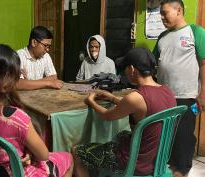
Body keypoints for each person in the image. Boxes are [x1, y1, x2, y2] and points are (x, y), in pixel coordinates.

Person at [0, 43, 73, 177]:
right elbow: (43, 155)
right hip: (18, 173)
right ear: (6, 79)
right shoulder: (16, 118)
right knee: (68, 158)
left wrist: (27, 150)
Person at [72, 47, 176, 177]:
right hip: (157, 159)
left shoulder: (136, 97)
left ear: (132, 69)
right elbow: (137, 105)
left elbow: (107, 115)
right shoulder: (167, 91)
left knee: (77, 151)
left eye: (125, 68)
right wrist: (111, 97)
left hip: (136, 163)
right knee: (121, 135)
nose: (125, 72)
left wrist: (91, 101)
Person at [153, 0, 205, 176]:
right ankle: (166, 170)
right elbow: (155, 64)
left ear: (179, 10)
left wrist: (203, 93)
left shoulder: (196, 32)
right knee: (164, 139)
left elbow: (204, 64)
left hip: (186, 97)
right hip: (163, 97)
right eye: (160, 13)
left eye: (164, 12)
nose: (161, 17)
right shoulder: (162, 37)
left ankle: (181, 171)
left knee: (183, 140)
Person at [17, 26, 63, 90]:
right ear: (34, 42)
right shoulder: (18, 57)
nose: (47, 49)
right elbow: (19, 84)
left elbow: (53, 77)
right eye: (45, 46)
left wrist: (28, 83)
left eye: (49, 46)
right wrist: (48, 83)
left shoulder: (46, 56)